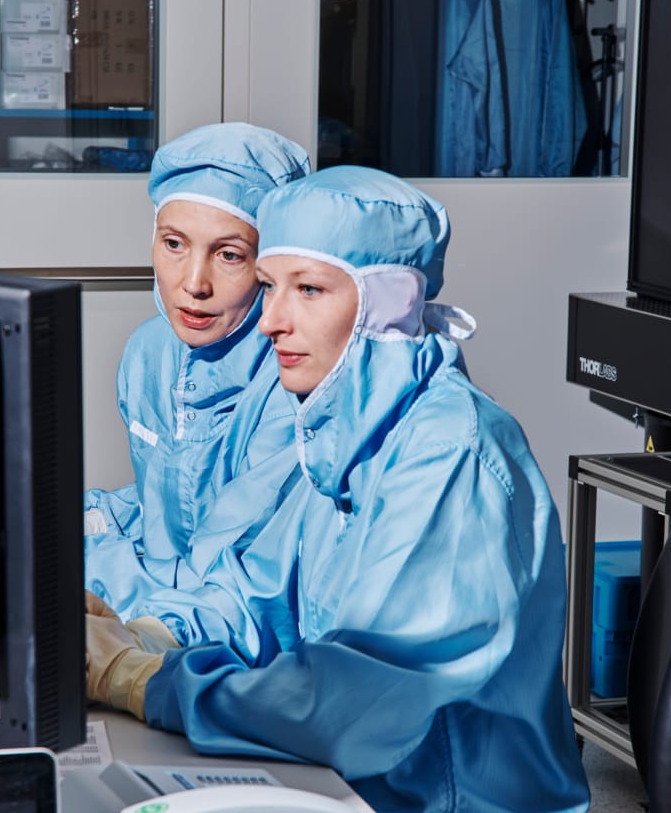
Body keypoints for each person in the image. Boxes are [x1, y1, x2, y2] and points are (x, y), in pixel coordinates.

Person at [85, 166, 591, 812]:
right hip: (354, 785)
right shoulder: (343, 433)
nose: (271, 321)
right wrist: (150, 632)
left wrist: (146, 680)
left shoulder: (448, 454)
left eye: (310, 290)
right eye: (270, 286)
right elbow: (257, 592)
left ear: (387, 304)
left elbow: (355, 704)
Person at [84, 123, 310, 630]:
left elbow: (230, 576)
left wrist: (88, 570)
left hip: (232, 650)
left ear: (270, 263)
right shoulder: (147, 352)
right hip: (161, 611)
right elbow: (169, 505)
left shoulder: (293, 380)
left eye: (229, 255)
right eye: (174, 244)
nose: (193, 284)